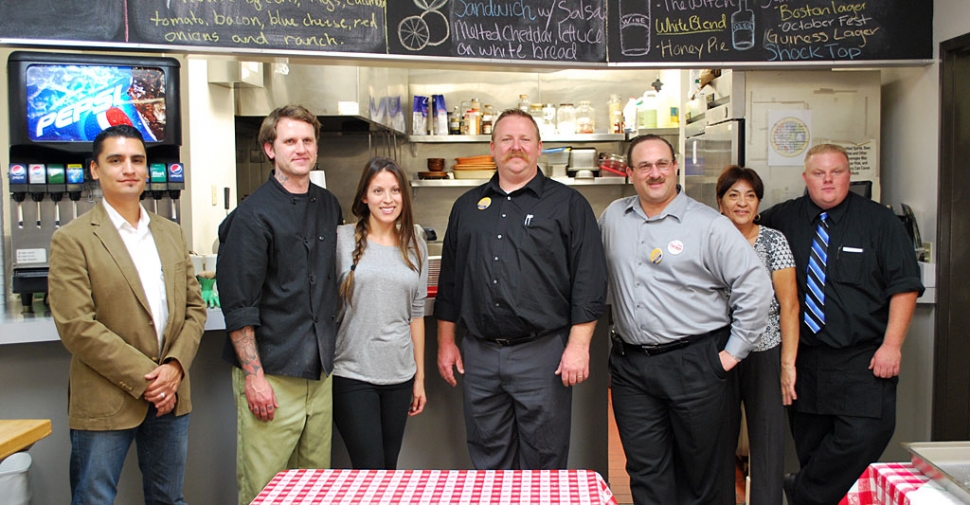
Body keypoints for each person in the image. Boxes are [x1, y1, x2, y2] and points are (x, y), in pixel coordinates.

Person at [599, 134, 772, 505]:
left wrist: (731, 354)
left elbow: (755, 286)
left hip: (696, 363)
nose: (655, 173)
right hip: (631, 368)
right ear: (629, 173)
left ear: (676, 167)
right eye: (644, 165)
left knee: (704, 476)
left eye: (662, 163)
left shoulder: (709, 224)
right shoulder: (613, 217)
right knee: (646, 473)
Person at [435, 108, 607, 470]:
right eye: (507, 139)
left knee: (544, 460)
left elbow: (590, 280)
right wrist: (446, 342)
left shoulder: (569, 205)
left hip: (542, 355)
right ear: (493, 148)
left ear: (539, 147)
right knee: (487, 457)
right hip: (479, 355)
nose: (517, 147)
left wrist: (578, 346)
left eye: (525, 139)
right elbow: (451, 281)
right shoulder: (466, 207)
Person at [49, 124, 207, 504]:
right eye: (116, 160)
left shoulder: (171, 233)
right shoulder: (72, 239)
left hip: (171, 395)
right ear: (95, 169)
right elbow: (77, 326)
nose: (129, 169)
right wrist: (150, 380)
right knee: (94, 498)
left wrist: (173, 369)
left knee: (169, 498)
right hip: (107, 398)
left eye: (137, 160)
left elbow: (194, 309)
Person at [761, 144, 923, 505]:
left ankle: (800, 491)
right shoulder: (780, 220)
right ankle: (809, 492)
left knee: (865, 436)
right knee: (812, 448)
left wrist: (892, 345)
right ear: (806, 178)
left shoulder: (879, 222)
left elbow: (905, 286)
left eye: (837, 172)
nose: (828, 180)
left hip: (863, 357)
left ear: (850, 176)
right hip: (805, 359)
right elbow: (741, 238)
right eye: (819, 173)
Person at [217, 104, 343, 504]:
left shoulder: (328, 205)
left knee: (314, 490)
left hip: (319, 376)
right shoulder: (251, 217)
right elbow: (239, 306)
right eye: (290, 141)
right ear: (271, 149)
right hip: (272, 376)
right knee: (264, 490)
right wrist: (254, 377)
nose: (301, 149)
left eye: (308, 140)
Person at [333, 157, 428, 469]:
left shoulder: (415, 240)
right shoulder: (341, 239)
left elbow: (417, 313)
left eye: (395, 190)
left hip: (400, 375)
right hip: (352, 373)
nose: (388, 199)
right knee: (370, 469)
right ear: (364, 196)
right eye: (378, 191)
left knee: (388, 470)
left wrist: (419, 378)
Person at [716, 165, 799, 505]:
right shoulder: (709, 236)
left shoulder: (773, 240)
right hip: (718, 352)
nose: (742, 203)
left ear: (759, 202)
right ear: (720, 202)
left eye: (750, 196)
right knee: (716, 439)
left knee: (767, 441)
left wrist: (788, 363)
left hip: (765, 351)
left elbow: (789, 305)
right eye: (733, 195)